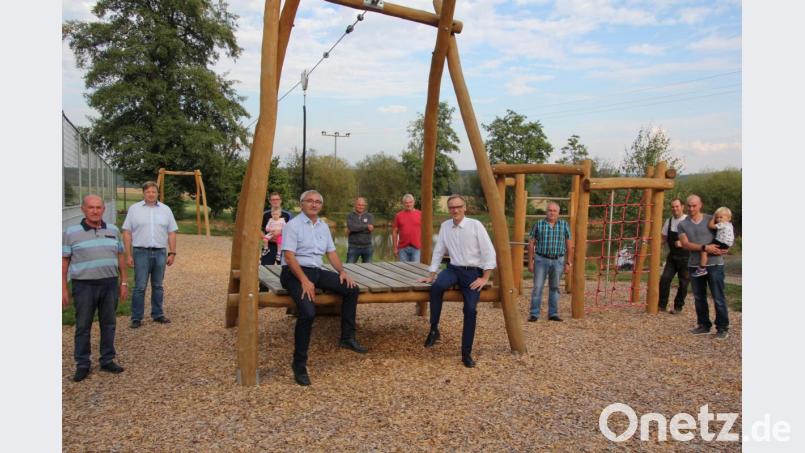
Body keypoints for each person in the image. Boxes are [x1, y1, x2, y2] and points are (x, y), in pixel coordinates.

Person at [280, 189, 368, 386]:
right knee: (308, 312)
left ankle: (347, 337)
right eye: (309, 201)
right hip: (294, 273)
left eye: (317, 202)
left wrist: (342, 272)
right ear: (301, 204)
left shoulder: (323, 227)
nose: (314, 204)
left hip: (316, 270)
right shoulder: (293, 226)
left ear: (321, 205)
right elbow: (289, 256)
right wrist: (303, 280)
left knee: (351, 289)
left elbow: (332, 253)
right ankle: (299, 364)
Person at [418, 194, 496, 368]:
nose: (455, 210)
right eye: (451, 207)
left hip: (472, 272)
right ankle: (433, 329)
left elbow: (489, 252)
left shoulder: (475, 225)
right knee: (436, 286)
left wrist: (484, 277)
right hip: (453, 269)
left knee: (470, 309)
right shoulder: (445, 226)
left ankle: (466, 353)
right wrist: (431, 273)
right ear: (449, 209)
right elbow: (438, 250)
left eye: (458, 206)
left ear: (464, 207)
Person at [62, 195, 128, 382]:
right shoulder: (71, 232)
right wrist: (62, 288)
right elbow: (64, 260)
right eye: (91, 207)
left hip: (109, 284)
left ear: (103, 210)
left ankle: (107, 359)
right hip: (84, 285)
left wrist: (124, 282)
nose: (95, 210)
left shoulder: (113, 230)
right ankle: (82, 363)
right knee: (83, 325)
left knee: (109, 323)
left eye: (98, 207)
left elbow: (121, 256)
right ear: (83, 209)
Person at [122, 181, 178, 329]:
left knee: (158, 285)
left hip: (160, 252)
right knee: (140, 286)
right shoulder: (134, 209)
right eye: (148, 192)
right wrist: (128, 254)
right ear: (143, 193)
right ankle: (136, 317)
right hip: (140, 252)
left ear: (157, 193)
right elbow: (127, 232)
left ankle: (158, 314)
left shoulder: (166, 210)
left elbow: (172, 232)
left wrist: (172, 252)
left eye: (154, 191)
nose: (151, 194)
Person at [677, 195, 730, 339]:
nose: (691, 208)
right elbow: (685, 244)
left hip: (715, 264)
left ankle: (722, 327)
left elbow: (726, 233)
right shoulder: (682, 224)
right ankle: (703, 325)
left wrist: (726, 248)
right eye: (689, 206)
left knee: (718, 296)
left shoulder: (711, 219)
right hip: (694, 264)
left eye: (694, 205)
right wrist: (705, 247)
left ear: (701, 205)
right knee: (699, 297)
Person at [526, 201, 573, 322]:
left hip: (558, 260)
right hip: (541, 259)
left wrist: (569, 262)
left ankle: (553, 313)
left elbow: (569, 245)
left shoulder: (564, 225)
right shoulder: (538, 224)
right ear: (546, 212)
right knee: (537, 287)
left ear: (558, 213)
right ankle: (534, 314)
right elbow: (531, 244)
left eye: (554, 211)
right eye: (550, 210)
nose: (552, 213)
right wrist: (530, 262)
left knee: (555, 287)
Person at [658, 199, 691, 314]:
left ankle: (678, 307)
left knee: (684, 283)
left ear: (682, 207)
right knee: (664, 279)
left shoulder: (689, 220)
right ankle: (661, 305)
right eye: (672, 207)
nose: (675, 209)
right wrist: (653, 246)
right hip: (672, 256)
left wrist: (684, 243)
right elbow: (663, 238)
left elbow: (696, 237)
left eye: (677, 206)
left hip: (687, 257)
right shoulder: (669, 221)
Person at [691, 207, 735, 277]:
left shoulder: (723, 224)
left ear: (728, 218)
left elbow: (711, 226)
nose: (719, 219)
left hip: (721, 242)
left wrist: (713, 218)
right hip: (726, 244)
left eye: (721, 217)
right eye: (717, 218)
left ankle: (702, 269)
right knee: (713, 251)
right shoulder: (730, 225)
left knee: (704, 250)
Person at [261, 192, 293, 266]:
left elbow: (292, 231)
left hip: (283, 246)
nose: (275, 201)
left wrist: (281, 232)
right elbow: (258, 229)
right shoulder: (265, 214)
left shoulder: (287, 215)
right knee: (265, 267)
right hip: (269, 245)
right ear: (270, 201)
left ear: (280, 200)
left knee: (284, 269)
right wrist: (266, 237)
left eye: (277, 199)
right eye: (273, 199)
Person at [392, 193, 422, 262]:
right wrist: (395, 248)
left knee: (415, 269)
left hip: (416, 248)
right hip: (402, 248)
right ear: (403, 203)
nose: (408, 204)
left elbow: (426, 232)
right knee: (403, 270)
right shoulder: (398, 215)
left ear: (414, 202)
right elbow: (394, 232)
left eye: (410, 202)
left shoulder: (420, 214)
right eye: (406, 203)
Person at [346, 197, 374, 263]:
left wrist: (356, 227)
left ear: (365, 206)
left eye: (362, 205)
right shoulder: (350, 216)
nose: (361, 207)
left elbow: (369, 229)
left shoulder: (370, 216)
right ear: (355, 205)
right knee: (349, 268)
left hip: (367, 247)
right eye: (359, 205)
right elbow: (351, 227)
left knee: (369, 270)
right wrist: (366, 226)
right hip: (353, 247)